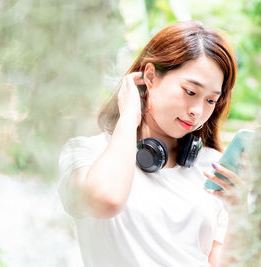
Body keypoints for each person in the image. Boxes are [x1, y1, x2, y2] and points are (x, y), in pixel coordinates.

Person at [58, 20, 240, 267]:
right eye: (190, 92)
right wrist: (129, 117)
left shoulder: (213, 168)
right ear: (151, 76)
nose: (197, 111)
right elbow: (105, 199)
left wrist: (240, 213)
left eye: (210, 100)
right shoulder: (86, 153)